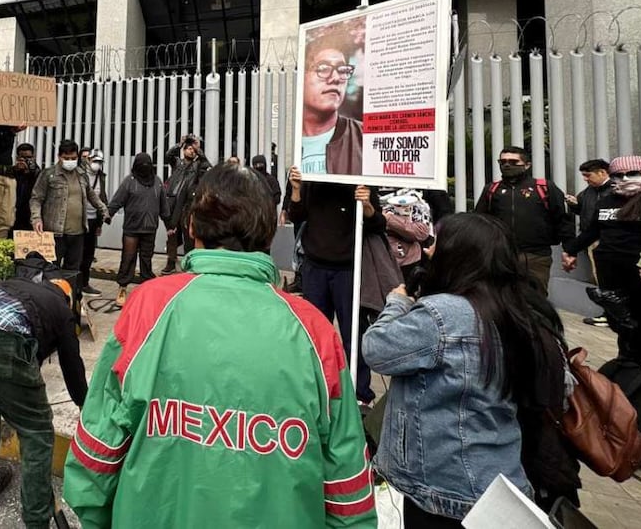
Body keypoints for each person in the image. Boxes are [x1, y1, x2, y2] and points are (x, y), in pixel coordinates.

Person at [64, 164, 375, 528]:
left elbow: (96, 453)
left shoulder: (150, 306)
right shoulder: (314, 331)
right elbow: (347, 488)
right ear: (271, 233)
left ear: (192, 227)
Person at [364, 214, 578, 526]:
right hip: (500, 479)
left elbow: (376, 349)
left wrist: (397, 303)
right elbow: (563, 386)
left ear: (460, 254)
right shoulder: (522, 308)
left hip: (442, 487)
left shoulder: (445, 314)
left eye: (436, 242)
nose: (427, 250)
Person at [0, 265, 87, 528]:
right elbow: (72, 367)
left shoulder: (19, 286)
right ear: (67, 297)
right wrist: (85, 405)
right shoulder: (61, 308)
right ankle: (36, 519)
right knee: (36, 429)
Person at [286, 166, 400, 407]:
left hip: (348, 268)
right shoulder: (310, 176)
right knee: (315, 332)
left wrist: (366, 205)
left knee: (353, 333)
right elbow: (295, 215)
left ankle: (360, 393)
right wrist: (296, 189)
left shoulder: (360, 179)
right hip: (315, 267)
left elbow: (377, 223)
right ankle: (317, 386)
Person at [562, 156, 641, 364]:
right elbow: (593, 230)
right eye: (619, 175)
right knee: (620, 322)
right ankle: (628, 363)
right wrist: (571, 250)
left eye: (632, 174)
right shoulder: (607, 200)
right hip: (611, 271)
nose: (625, 178)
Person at [474, 146, 574, 295]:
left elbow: (563, 219)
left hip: (536, 256)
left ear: (527, 165)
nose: (507, 165)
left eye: (514, 162)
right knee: (501, 299)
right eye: (503, 162)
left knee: (535, 301)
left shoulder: (544, 187)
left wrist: (570, 250)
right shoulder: (492, 189)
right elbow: (479, 221)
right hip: (501, 255)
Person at [30, 140, 109, 271]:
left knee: (73, 269)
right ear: (59, 156)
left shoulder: (81, 175)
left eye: (73, 158)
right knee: (51, 269)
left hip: (78, 232)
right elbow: (36, 199)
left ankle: (70, 291)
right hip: (55, 232)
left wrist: (103, 208)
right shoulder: (49, 174)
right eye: (66, 158)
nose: (70, 161)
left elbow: (91, 195)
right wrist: (36, 218)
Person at [106, 153, 169, 307]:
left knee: (147, 259)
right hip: (132, 229)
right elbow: (117, 201)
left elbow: (164, 206)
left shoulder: (157, 182)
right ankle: (122, 287)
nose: (145, 168)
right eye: (142, 165)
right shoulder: (130, 181)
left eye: (148, 165)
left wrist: (170, 224)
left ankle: (147, 288)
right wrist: (108, 216)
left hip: (150, 228)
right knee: (128, 258)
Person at [300, 36, 362, 175]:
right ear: (301, 77)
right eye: (323, 68)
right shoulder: (287, 140)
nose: (335, 78)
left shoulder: (363, 138)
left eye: (343, 69)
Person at [566, 159, 614, 325]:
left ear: (602, 172)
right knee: (600, 277)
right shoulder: (589, 191)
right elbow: (583, 209)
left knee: (609, 277)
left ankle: (611, 314)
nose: (586, 179)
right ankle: (609, 313)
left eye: (588, 175)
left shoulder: (615, 190)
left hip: (607, 240)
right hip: (591, 239)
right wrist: (573, 205)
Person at [162, 134, 211, 274]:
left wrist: (199, 149)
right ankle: (171, 262)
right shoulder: (177, 163)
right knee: (171, 235)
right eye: (188, 148)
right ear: (183, 151)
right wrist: (179, 143)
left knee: (188, 237)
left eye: (192, 149)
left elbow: (208, 166)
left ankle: (188, 263)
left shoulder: (198, 165)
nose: (190, 151)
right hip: (172, 203)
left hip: (187, 206)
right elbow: (168, 155)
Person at [79, 149, 107, 296]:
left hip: (93, 218)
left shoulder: (101, 177)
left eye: (99, 162)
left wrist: (101, 222)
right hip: (79, 218)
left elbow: (103, 197)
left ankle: (85, 283)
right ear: (88, 160)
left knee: (89, 254)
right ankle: (74, 283)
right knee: (77, 253)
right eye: (94, 161)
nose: (97, 164)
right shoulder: (80, 174)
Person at [12, 143, 42, 233]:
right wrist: (17, 171)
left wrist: (28, 172)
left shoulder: (38, 173)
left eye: (28, 158)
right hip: (15, 213)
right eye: (22, 157)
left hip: (30, 213)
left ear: (33, 157)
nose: (25, 160)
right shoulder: (13, 172)